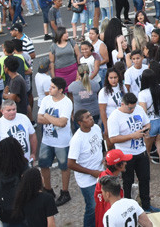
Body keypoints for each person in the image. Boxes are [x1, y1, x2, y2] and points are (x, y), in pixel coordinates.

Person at [107, 92, 160, 213]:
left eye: (134, 107)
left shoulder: (139, 109)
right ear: (122, 104)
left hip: (141, 151)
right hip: (125, 155)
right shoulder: (115, 116)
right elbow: (113, 138)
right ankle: (128, 208)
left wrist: (146, 130)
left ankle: (146, 206)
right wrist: (132, 136)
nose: (132, 110)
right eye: (129, 108)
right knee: (128, 182)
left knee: (145, 179)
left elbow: (147, 123)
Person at [37, 76, 73, 206]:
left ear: (61, 90)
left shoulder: (67, 102)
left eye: (53, 87)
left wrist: (46, 115)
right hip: (47, 140)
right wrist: (53, 120)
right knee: (43, 165)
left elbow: (62, 122)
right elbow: (39, 119)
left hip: (62, 142)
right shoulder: (46, 99)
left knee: (64, 167)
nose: (49, 89)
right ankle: (48, 189)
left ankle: (65, 192)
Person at [67, 109, 104, 227]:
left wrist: (105, 156)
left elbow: (101, 144)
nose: (91, 118)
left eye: (90, 115)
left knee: (103, 203)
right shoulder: (77, 140)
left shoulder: (96, 129)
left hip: (100, 173)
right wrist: (92, 172)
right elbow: (70, 164)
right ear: (80, 122)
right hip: (87, 180)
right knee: (92, 207)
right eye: (87, 117)